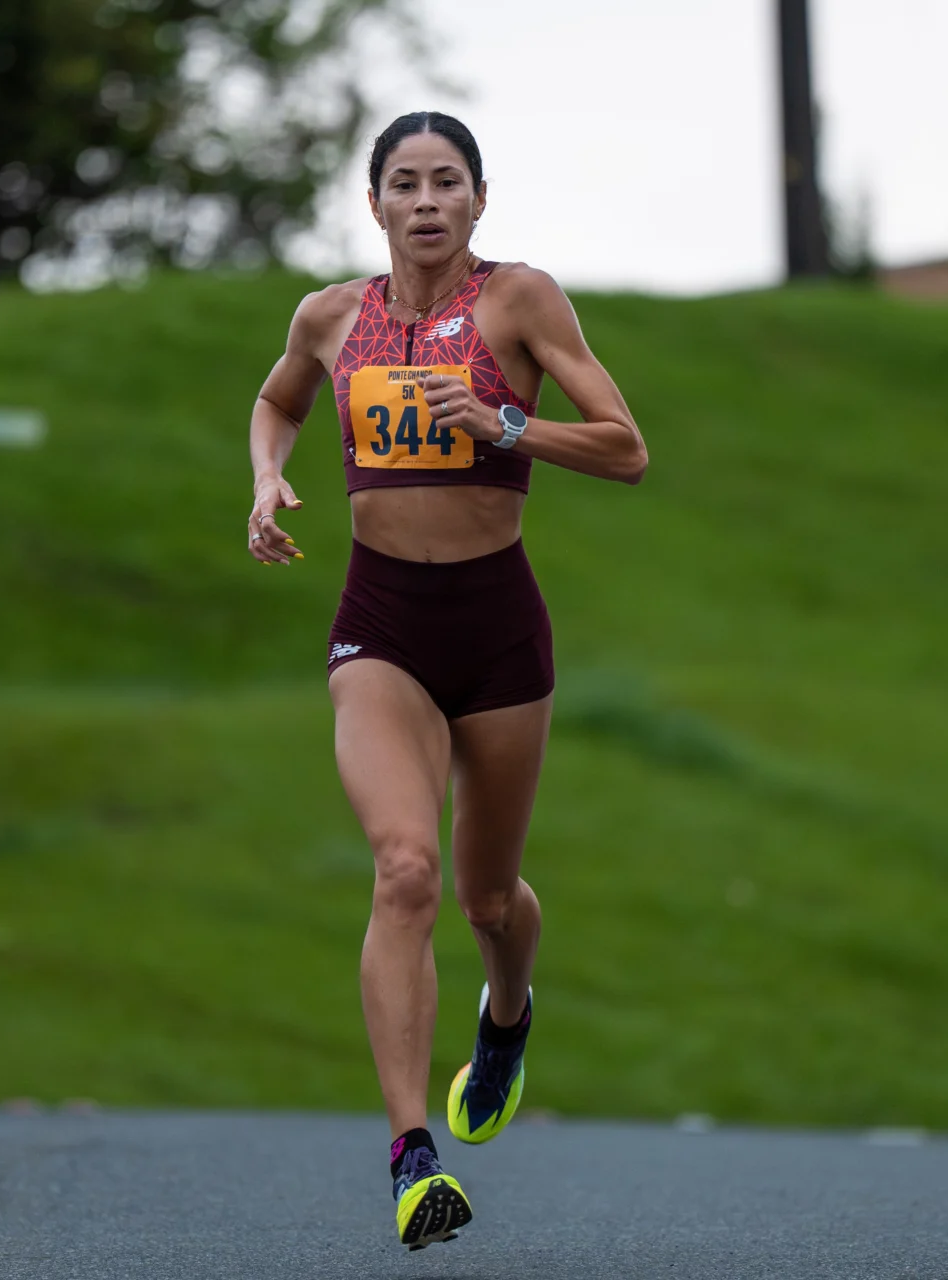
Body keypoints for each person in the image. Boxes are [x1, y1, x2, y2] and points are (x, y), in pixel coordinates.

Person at [246, 110, 648, 1251]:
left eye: (447, 183)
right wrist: (269, 480)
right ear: (373, 204)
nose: (426, 202)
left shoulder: (521, 302)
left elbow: (624, 446)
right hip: (381, 621)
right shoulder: (329, 317)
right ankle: (413, 1157)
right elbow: (278, 400)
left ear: (479, 201)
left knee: (485, 895)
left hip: (496, 626)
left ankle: (507, 1013)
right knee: (406, 869)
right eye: (405, 184)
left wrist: (504, 421)